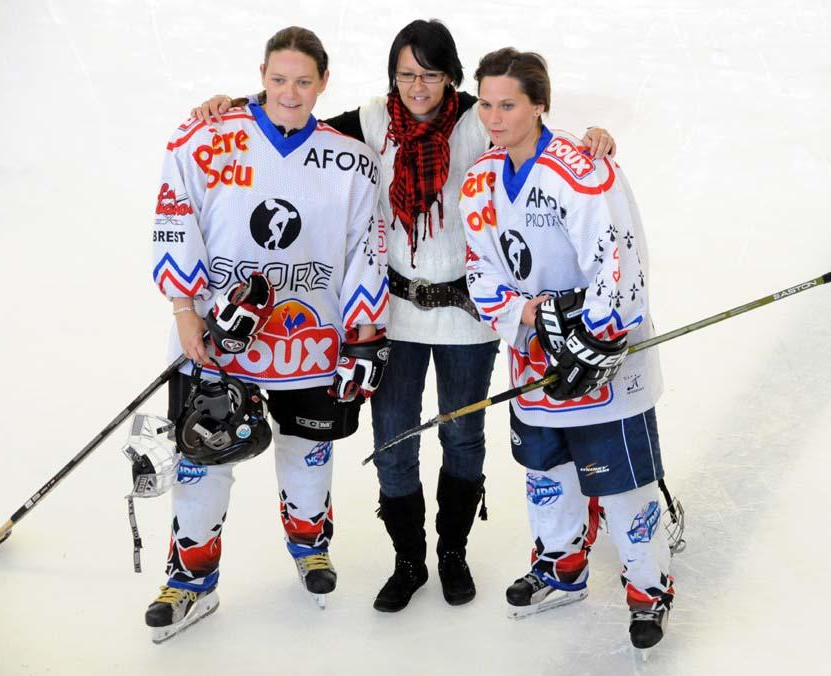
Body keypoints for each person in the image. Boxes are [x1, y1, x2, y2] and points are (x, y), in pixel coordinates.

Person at [191, 19, 616, 613]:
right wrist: (239, 103)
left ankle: (452, 553)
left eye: (431, 74)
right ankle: (409, 559)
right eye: (406, 73)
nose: (417, 86)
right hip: (393, 315)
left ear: (451, 76)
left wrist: (588, 139)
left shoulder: (477, 119)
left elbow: (532, 135)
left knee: (462, 435)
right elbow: (296, 116)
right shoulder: (370, 122)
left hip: (467, 314)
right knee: (393, 442)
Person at [149, 26, 387, 643]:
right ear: (261, 74)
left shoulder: (351, 161)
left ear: (324, 83)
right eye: (279, 79)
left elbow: (368, 246)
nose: (290, 92)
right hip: (218, 336)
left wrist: (364, 332)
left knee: (308, 450)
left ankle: (310, 545)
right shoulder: (205, 138)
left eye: (303, 81)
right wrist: (184, 310)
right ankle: (191, 579)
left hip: (309, 338)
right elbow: (175, 218)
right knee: (203, 456)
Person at [460, 48, 674, 650]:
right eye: (486, 104)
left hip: (604, 365)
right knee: (546, 474)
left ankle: (649, 588)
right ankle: (561, 568)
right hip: (534, 358)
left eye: (508, 105)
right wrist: (528, 314)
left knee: (625, 484)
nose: (494, 118)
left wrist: (595, 336)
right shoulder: (480, 181)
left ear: (539, 106)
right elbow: (480, 270)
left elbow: (618, 262)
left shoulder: (582, 168)